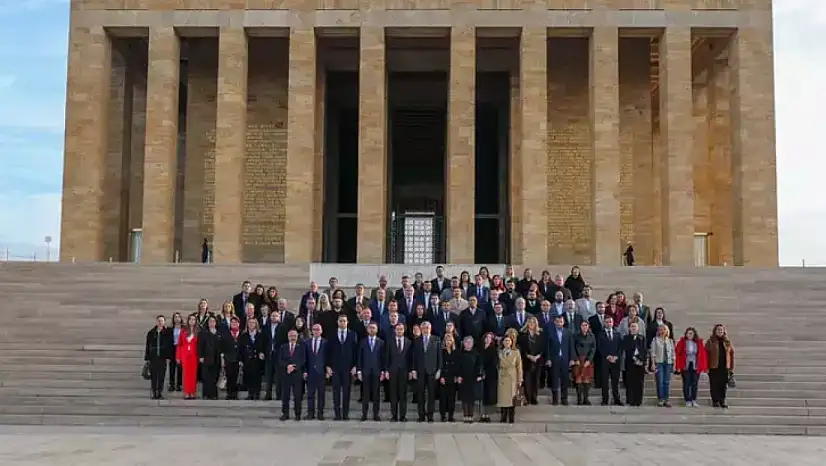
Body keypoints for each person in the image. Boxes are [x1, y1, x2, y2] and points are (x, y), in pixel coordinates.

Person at [328, 314, 357, 420]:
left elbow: (356, 351)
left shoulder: (352, 334)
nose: (342, 323)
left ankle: (345, 414)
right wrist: (328, 366)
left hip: (348, 368)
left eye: (344, 321)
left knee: (346, 391)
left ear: (347, 322)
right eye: (340, 321)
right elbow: (328, 351)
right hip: (335, 367)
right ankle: (337, 414)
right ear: (337, 322)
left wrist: (355, 366)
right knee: (336, 391)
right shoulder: (332, 334)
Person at [412, 321, 442, 422]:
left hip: (432, 370)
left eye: (427, 327)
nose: (426, 329)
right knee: (420, 394)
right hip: (420, 371)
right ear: (421, 329)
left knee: (431, 394)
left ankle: (430, 416)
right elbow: (414, 357)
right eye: (424, 328)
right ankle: (421, 415)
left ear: (430, 328)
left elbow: (440, 356)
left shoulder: (436, 339)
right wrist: (414, 369)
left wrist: (439, 369)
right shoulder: (417, 340)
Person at [385, 323, 413, 422]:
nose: (399, 331)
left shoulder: (409, 342)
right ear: (395, 330)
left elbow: (410, 358)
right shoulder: (390, 342)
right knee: (393, 395)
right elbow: (387, 357)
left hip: (404, 372)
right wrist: (386, 370)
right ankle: (394, 415)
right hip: (393, 371)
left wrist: (410, 371)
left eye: (401, 329)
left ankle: (402, 416)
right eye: (397, 329)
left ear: (404, 330)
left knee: (403, 395)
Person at [357, 322, 384, 421]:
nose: (372, 329)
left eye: (374, 328)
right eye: (370, 328)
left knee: (376, 395)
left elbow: (383, 358)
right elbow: (359, 357)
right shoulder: (363, 342)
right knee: (365, 394)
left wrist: (382, 371)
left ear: (376, 330)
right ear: (367, 330)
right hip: (365, 371)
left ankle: (376, 415)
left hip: (377, 371)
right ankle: (364, 414)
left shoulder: (381, 342)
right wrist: (359, 371)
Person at [546, 314, 574, 406]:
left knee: (565, 380)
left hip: (565, 360)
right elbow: (548, 347)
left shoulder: (568, 332)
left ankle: (564, 398)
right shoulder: (550, 332)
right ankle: (555, 399)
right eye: (557, 321)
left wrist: (572, 359)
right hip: (554, 359)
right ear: (554, 322)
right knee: (554, 379)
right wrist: (548, 359)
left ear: (564, 322)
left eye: (561, 321)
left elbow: (571, 347)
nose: (559, 323)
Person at [675, 327, 707, 407]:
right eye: (688, 333)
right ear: (686, 334)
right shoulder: (682, 342)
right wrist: (678, 366)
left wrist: (704, 367)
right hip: (685, 365)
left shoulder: (698, 342)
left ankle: (693, 399)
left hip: (695, 365)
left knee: (695, 383)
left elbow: (702, 355)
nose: (689, 335)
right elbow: (678, 354)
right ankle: (687, 400)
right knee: (686, 383)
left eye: (691, 333)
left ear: (694, 334)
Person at [517, 316, 545, 405]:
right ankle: (527, 398)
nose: (532, 324)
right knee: (527, 380)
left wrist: (538, 356)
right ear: (527, 323)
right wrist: (528, 356)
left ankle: (534, 398)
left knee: (536, 380)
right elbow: (520, 348)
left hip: (537, 360)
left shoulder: (540, 334)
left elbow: (543, 347)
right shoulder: (522, 334)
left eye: (533, 322)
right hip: (526, 359)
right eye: (530, 322)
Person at [279, 329, 307, 421]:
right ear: (288, 337)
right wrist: (287, 366)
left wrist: (294, 367)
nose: (292, 338)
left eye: (294, 336)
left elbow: (303, 359)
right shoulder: (283, 347)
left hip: (297, 374)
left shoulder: (301, 347)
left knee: (297, 395)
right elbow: (280, 360)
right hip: (286, 374)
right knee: (285, 395)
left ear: (297, 337)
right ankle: (285, 413)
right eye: (291, 336)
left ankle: (298, 414)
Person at [144, 315, 173, 400]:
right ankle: (154, 393)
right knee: (154, 376)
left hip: (162, 357)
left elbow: (170, 346)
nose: (160, 322)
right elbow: (147, 345)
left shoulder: (167, 332)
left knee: (161, 376)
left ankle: (159, 392)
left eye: (162, 321)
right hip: (153, 358)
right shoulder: (151, 333)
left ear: (164, 322)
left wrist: (169, 357)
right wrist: (147, 357)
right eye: (159, 321)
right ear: (156, 322)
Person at [706, 324, 735, 408]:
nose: (720, 331)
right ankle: (715, 400)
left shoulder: (727, 341)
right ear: (715, 331)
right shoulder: (710, 341)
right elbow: (706, 354)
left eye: (721, 330)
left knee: (723, 385)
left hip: (725, 367)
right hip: (714, 367)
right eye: (718, 330)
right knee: (714, 384)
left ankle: (722, 400)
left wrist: (731, 368)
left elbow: (732, 354)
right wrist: (706, 367)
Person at [456, 336, 483, 423]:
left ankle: (470, 416)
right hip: (463, 378)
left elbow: (479, 366)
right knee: (464, 398)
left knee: (471, 399)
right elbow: (457, 366)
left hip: (472, 378)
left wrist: (479, 375)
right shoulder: (460, 354)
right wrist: (458, 376)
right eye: (466, 342)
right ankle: (465, 415)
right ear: (463, 344)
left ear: (472, 344)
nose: (468, 344)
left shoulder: (476, 354)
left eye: (470, 342)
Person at [597, 316, 622, 406]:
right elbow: (600, 347)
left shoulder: (617, 334)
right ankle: (605, 400)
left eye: (610, 322)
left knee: (615, 381)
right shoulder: (600, 334)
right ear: (604, 323)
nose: (609, 324)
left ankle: (616, 399)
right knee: (605, 382)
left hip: (615, 361)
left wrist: (616, 356)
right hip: (605, 361)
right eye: (607, 322)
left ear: (613, 323)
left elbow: (620, 347)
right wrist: (608, 356)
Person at [497, 335, 522, 423]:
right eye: (505, 341)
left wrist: (520, 379)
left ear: (511, 342)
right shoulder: (499, 352)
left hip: (512, 377)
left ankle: (511, 417)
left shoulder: (516, 352)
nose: (507, 342)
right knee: (502, 398)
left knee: (512, 398)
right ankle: (503, 416)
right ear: (503, 342)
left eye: (508, 341)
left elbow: (519, 367)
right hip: (502, 376)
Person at [649, 324, 676, 407]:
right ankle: (660, 399)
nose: (662, 331)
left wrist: (674, 364)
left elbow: (673, 354)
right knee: (659, 381)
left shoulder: (670, 341)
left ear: (666, 331)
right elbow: (653, 352)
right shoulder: (655, 340)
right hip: (659, 363)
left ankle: (666, 399)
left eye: (664, 329)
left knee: (666, 382)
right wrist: (653, 363)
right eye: (660, 329)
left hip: (668, 363)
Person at [621, 321, 647, 407]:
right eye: (632, 327)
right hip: (630, 362)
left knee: (639, 382)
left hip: (640, 363)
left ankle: (638, 400)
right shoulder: (626, 338)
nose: (633, 328)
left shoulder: (642, 338)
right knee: (630, 382)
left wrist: (641, 360)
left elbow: (644, 350)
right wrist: (634, 357)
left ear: (638, 328)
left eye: (635, 327)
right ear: (629, 328)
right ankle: (631, 400)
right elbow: (626, 349)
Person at [239, 318, 265, 400]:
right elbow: (241, 349)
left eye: (253, 323)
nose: (251, 324)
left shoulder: (260, 335)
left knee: (257, 377)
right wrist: (240, 360)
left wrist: (262, 353)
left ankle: (257, 394)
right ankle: (250, 394)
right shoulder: (244, 335)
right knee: (248, 376)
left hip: (257, 360)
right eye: (249, 323)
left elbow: (264, 346)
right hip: (247, 360)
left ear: (256, 324)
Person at [572, 320, 596, 406]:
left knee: (587, 380)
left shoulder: (592, 336)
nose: (584, 327)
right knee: (578, 380)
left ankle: (586, 398)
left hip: (588, 361)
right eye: (582, 325)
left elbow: (593, 349)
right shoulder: (575, 336)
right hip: (578, 360)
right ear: (580, 326)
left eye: (586, 325)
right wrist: (575, 359)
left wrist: (589, 360)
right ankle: (579, 399)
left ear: (588, 326)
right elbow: (572, 348)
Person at [177, 314, 200, 400]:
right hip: (185, 355)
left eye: (193, 319)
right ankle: (187, 392)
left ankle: (192, 393)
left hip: (194, 355)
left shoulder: (198, 331)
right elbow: (179, 345)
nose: (192, 321)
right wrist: (178, 357)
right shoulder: (183, 331)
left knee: (193, 375)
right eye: (190, 319)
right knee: (186, 374)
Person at [198, 316, 221, 400]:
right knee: (206, 377)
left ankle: (214, 395)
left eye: (213, 321)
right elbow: (200, 345)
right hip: (206, 358)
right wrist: (201, 356)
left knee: (214, 377)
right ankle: (206, 394)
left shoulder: (219, 333)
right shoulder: (204, 333)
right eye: (210, 321)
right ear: (208, 323)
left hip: (217, 358)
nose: (212, 323)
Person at [219, 316, 242, 400]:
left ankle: (235, 394)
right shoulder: (226, 334)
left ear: (238, 324)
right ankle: (229, 394)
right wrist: (222, 358)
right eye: (232, 322)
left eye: (235, 322)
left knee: (236, 377)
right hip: (228, 358)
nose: (234, 324)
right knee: (229, 376)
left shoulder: (241, 333)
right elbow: (222, 346)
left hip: (237, 358)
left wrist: (241, 359)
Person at [478, 332, 499, 423]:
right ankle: (482, 414)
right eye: (486, 337)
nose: (487, 339)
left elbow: (493, 363)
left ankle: (487, 415)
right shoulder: (479, 349)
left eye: (490, 338)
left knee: (488, 396)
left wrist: (485, 373)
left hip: (490, 375)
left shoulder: (494, 350)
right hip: (480, 375)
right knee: (481, 396)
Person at [438, 334, 458, 422]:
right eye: (447, 340)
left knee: (451, 398)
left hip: (452, 377)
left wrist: (456, 376)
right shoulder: (441, 351)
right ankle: (443, 415)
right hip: (444, 376)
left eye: (450, 340)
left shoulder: (455, 352)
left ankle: (451, 415)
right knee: (443, 397)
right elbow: (440, 364)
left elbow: (458, 365)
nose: (448, 342)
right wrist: (441, 376)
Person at [168, 312, 184, 392]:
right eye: (175, 317)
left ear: (181, 318)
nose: (177, 318)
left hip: (181, 348)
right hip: (173, 348)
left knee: (180, 367)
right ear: (173, 319)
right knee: (172, 367)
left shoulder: (184, 328)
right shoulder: (170, 329)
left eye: (178, 317)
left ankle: (179, 385)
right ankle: (171, 384)